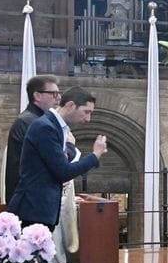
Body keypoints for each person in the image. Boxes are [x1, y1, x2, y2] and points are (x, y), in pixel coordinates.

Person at [7, 87, 108, 230]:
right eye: (86, 112)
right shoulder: (45, 127)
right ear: (70, 105)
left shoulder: (55, 127)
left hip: (39, 209)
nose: (88, 119)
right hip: (33, 210)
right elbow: (63, 171)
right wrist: (95, 155)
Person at [4, 74, 62, 202]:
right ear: (37, 96)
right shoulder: (31, 122)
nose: (58, 99)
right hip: (29, 201)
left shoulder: (37, 120)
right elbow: (52, 161)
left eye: (59, 93)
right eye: (54, 94)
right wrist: (69, 145)